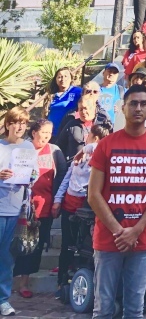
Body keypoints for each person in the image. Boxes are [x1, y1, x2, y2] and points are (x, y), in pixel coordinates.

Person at [88, 85, 146, 319]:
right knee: (103, 309)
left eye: (143, 103)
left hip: (142, 238)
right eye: (133, 103)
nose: (138, 108)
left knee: (135, 310)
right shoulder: (106, 145)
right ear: (122, 107)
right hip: (107, 238)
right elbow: (93, 195)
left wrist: (136, 230)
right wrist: (119, 231)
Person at [53, 123, 111, 298]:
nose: (86, 137)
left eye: (89, 136)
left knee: (84, 245)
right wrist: (57, 199)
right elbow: (68, 178)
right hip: (69, 204)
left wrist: (87, 148)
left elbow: (100, 147)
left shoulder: (100, 156)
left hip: (86, 208)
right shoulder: (79, 158)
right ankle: (61, 282)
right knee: (67, 246)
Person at [13, 119, 66, 299]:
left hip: (43, 208)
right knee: (15, 244)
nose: (46, 136)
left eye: (49, 133)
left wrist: (57, 203)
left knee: (33, 246)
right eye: (43, 132)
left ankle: (24, 283)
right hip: (19, 206)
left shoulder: (54, 151)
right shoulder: (21, 149)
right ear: (34, 132)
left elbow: (61, 179)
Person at [0, 107, 35, 317]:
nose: (20, 126)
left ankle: (3, 299)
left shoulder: (29, 147)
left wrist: (30, 176)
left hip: (15, 210)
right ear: (8, 124)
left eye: (24, 122)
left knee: (7, 257)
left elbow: (34, 175)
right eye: (16, 122)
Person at [54, 93, 113, 163]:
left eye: (85, 108)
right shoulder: (72, 125)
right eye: (80, 109)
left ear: (94, 107)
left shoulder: (103, 125)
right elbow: (59, 147)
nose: (83, 112)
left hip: (95, 166)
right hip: (74, 167)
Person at [46, 67, 83, 135]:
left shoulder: (77, 91)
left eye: (66, 76)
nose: (63, 79)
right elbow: (45, 114)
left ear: (71, 78)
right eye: (59, 77)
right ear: (56, 80)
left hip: (68, 133)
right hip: (51, 133)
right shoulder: (51, 95)